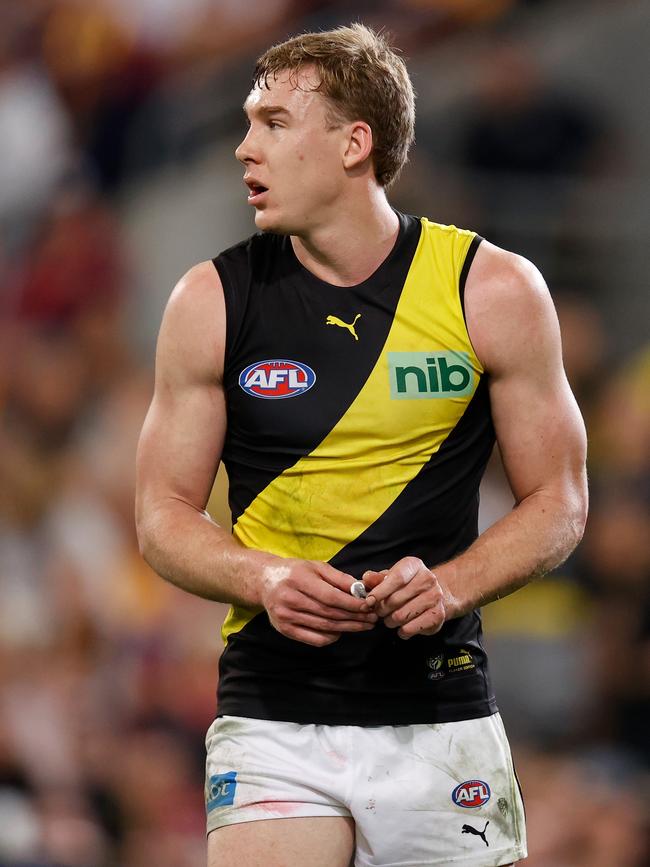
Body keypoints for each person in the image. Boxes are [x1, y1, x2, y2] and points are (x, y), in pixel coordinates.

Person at [135, 23, 588, 867]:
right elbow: (161, 515)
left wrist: (450, 585)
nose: (242, 148)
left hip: (438, 711)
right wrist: (260, 574)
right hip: (274, 712)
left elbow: (560, 501)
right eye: (247, 122)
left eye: (272, 123)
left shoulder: (490, 289)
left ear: (354, 143)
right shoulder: (210, 300)